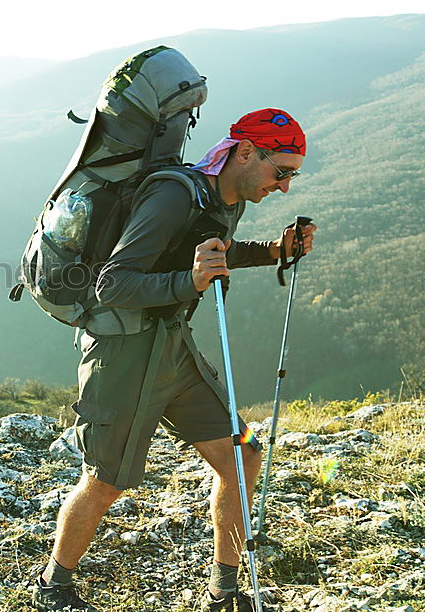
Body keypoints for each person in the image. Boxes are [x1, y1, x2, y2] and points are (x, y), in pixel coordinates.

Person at [30, 109, 318, 612]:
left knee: (246, 454)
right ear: (247, 153)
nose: (285, 186)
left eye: (292, 174)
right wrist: (189, 283)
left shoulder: (226, 199)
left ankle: (224, 589)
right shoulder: (173, 195)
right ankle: (54, 586)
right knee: (105, 479)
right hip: (121, 354)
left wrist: (275, 251)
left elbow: (212, 251)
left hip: (171, 348)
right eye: (282, 172)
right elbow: (112, 284)